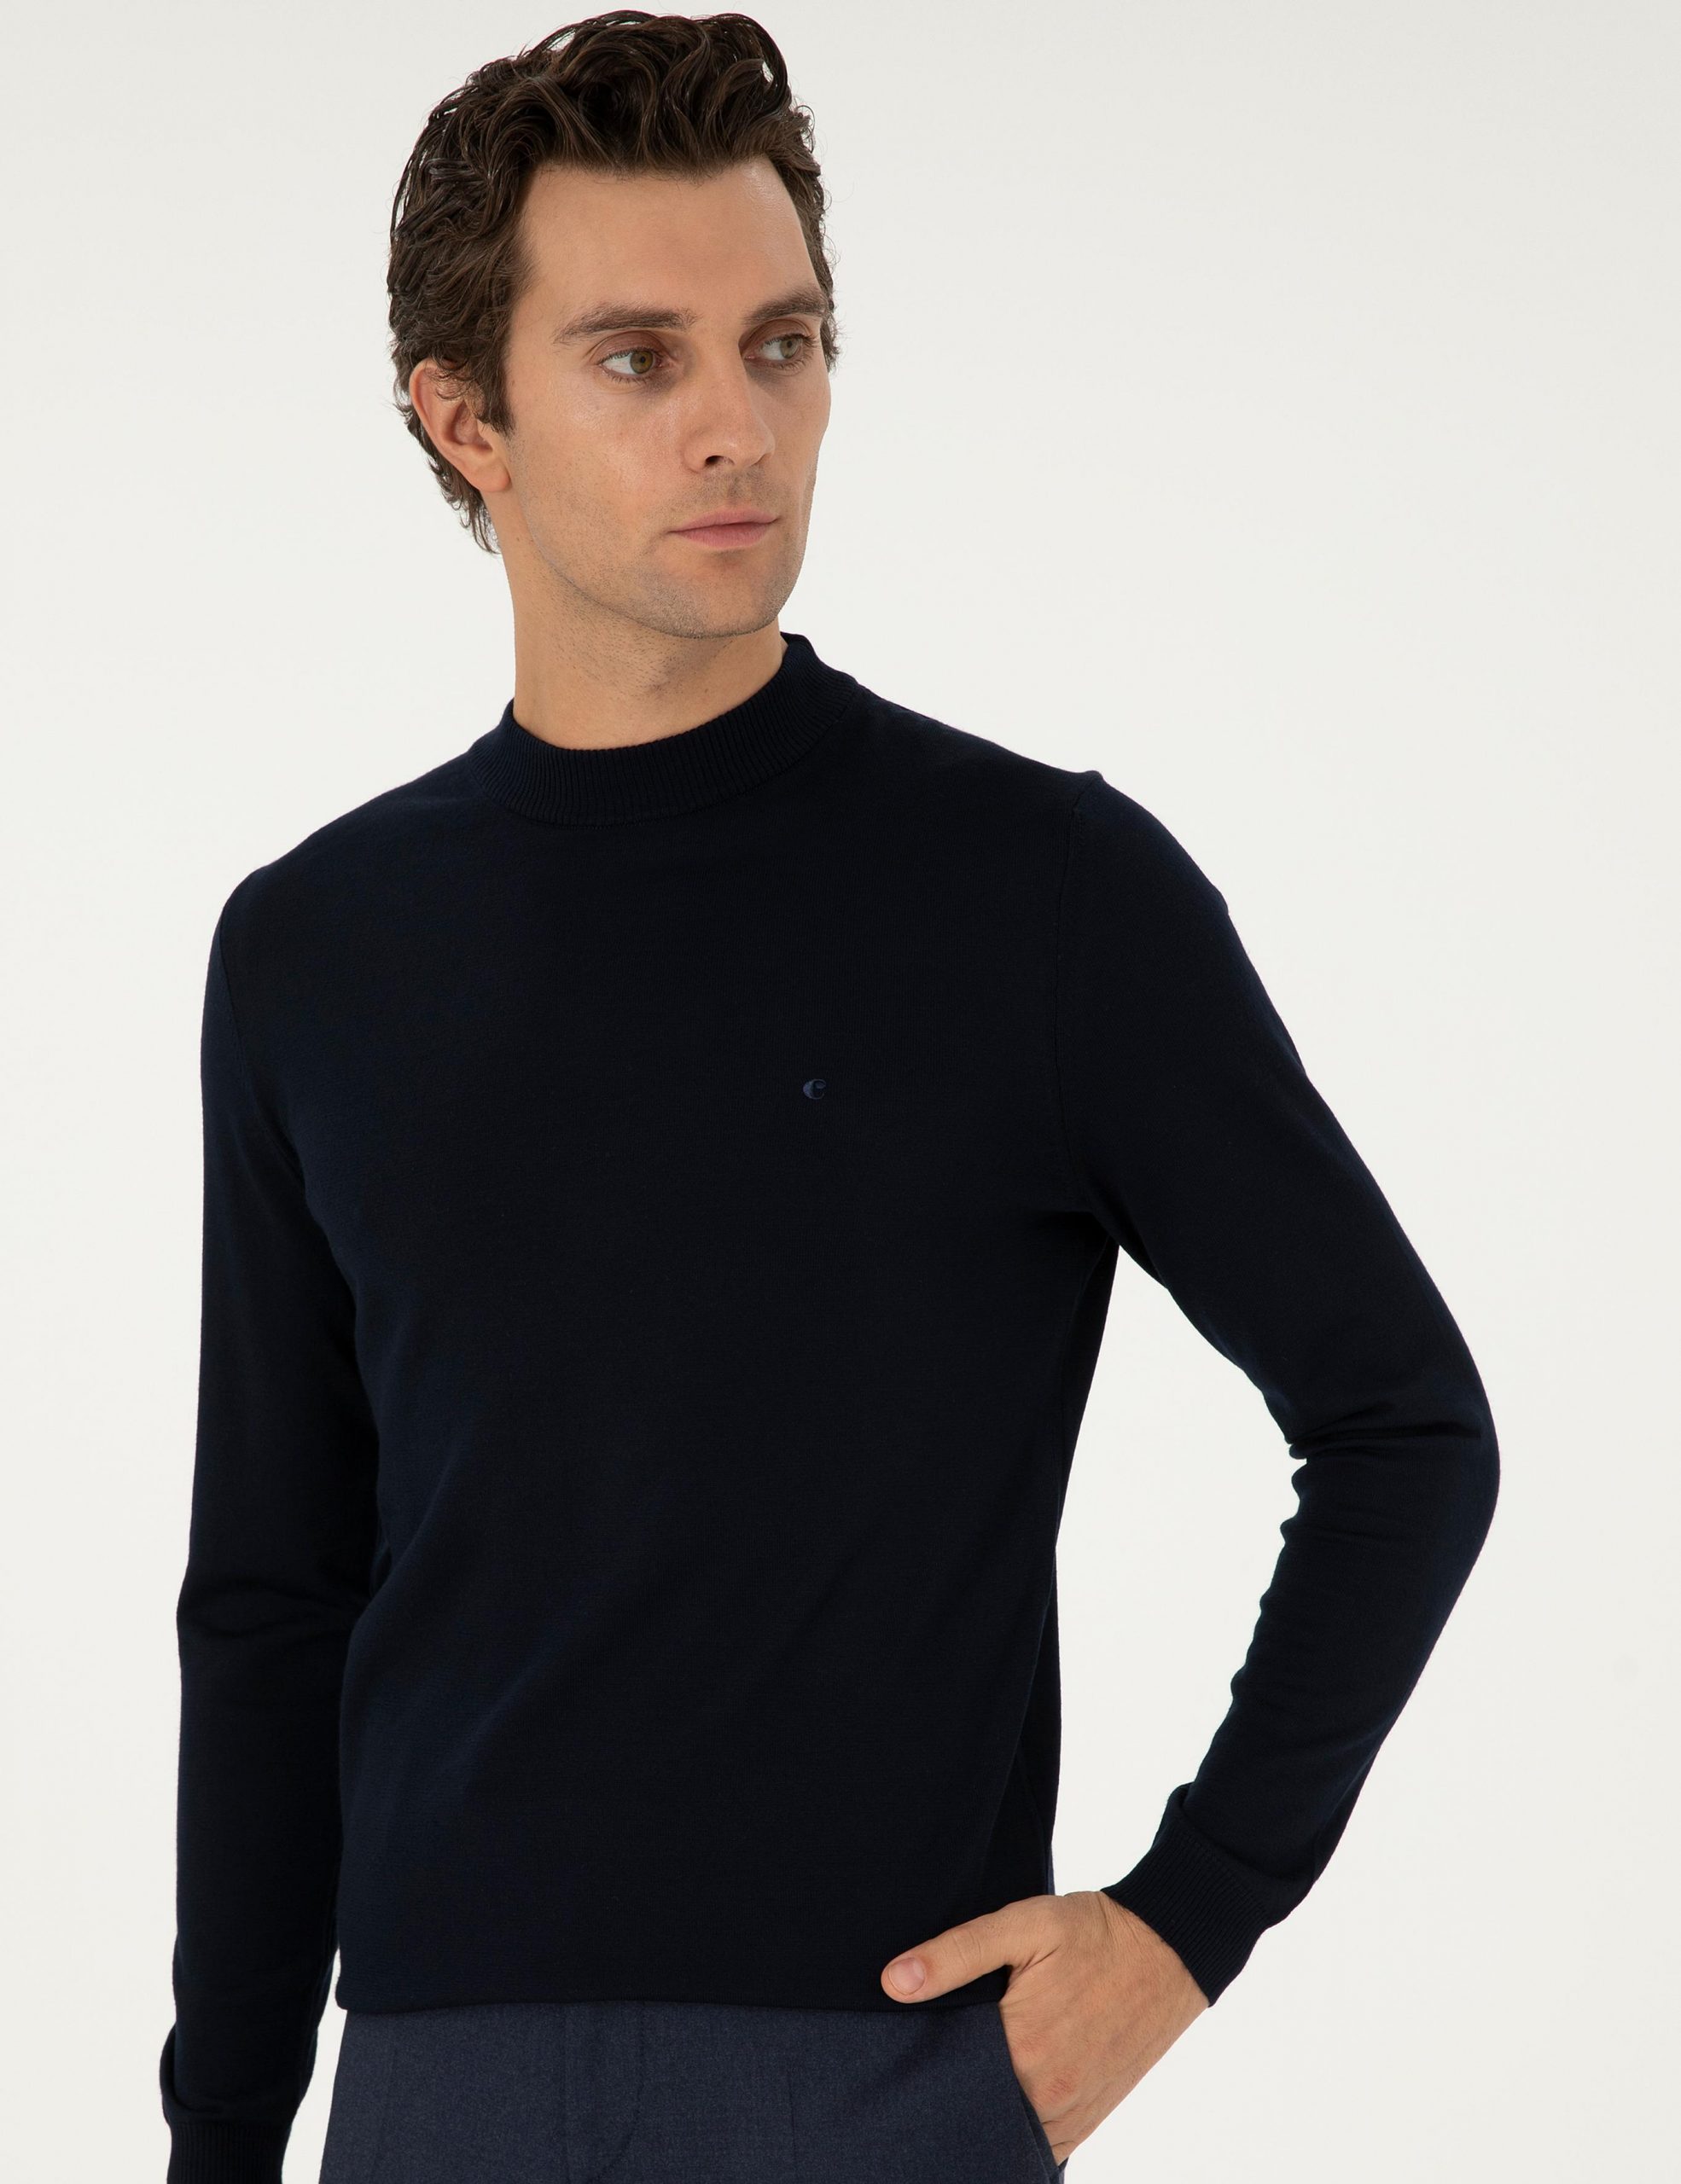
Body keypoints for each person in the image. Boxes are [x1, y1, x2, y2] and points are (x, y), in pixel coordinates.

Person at [155, 12, 1501, 2181]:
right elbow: (274, 1594)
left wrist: (1187, 1918)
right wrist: (223, 2136)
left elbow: (1403, 1423)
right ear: (464, 417)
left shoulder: (1043, 894)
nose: (737, 423)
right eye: (638, 357)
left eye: (781, 345)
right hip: (430, 2083)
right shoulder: (316, 947)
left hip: (877, 2072)